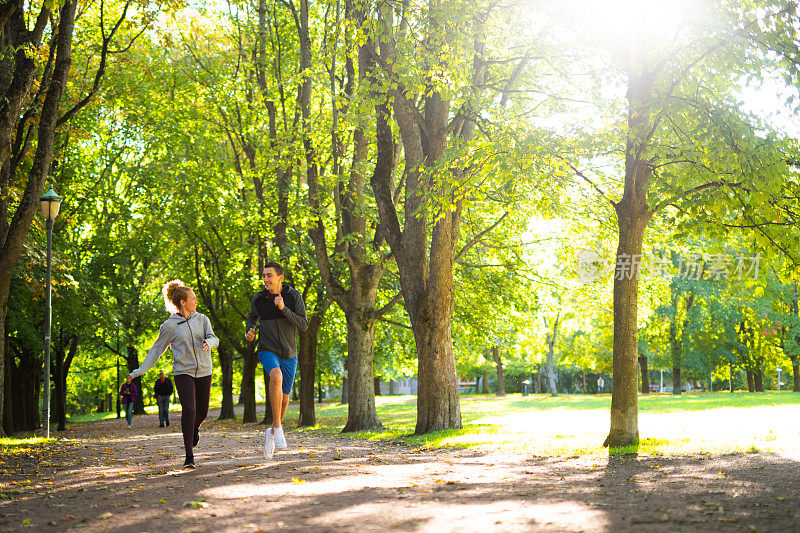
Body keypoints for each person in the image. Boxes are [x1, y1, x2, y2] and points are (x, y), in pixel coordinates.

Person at [128, 280, 218, 469]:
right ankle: (189, 456)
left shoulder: (202, 319)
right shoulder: (169, 326)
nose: (196, 302)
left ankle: (193, 430)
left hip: (204, 371)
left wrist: (209, 343)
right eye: (193, 298)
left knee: (202, 412)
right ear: (183, 302)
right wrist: (138, 372)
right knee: (190, 410)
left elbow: (214, 338)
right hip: (183, 372)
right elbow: (155, 351)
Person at [245, 261, 308, 459]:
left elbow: (303, 324)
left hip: (289, 352)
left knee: (286, 397)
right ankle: (279, 428)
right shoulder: (259, 298)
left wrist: (283, 308)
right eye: (264, 275)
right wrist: (250, 329)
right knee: (276, 375)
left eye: (269, 275)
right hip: (267, 348)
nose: (265, 279)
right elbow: (252, 317)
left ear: (280, 277)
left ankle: (272, 432)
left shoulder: (293, 296)